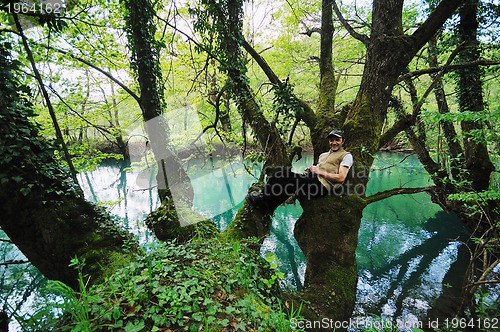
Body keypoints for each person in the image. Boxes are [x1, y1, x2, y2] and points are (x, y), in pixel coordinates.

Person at [246, 129, 353, 210]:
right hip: (313, 180)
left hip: (323, 187)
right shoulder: (323, 155)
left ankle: (265, 205)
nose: (334, 143)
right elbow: (318, 169)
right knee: (281, 173)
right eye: (332, 140)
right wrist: (311, 171)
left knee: (294, 182)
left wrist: (318, 171)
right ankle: (263, 196)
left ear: (343, 141)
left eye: (337, 140)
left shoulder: (346, 156)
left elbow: (341, 178)